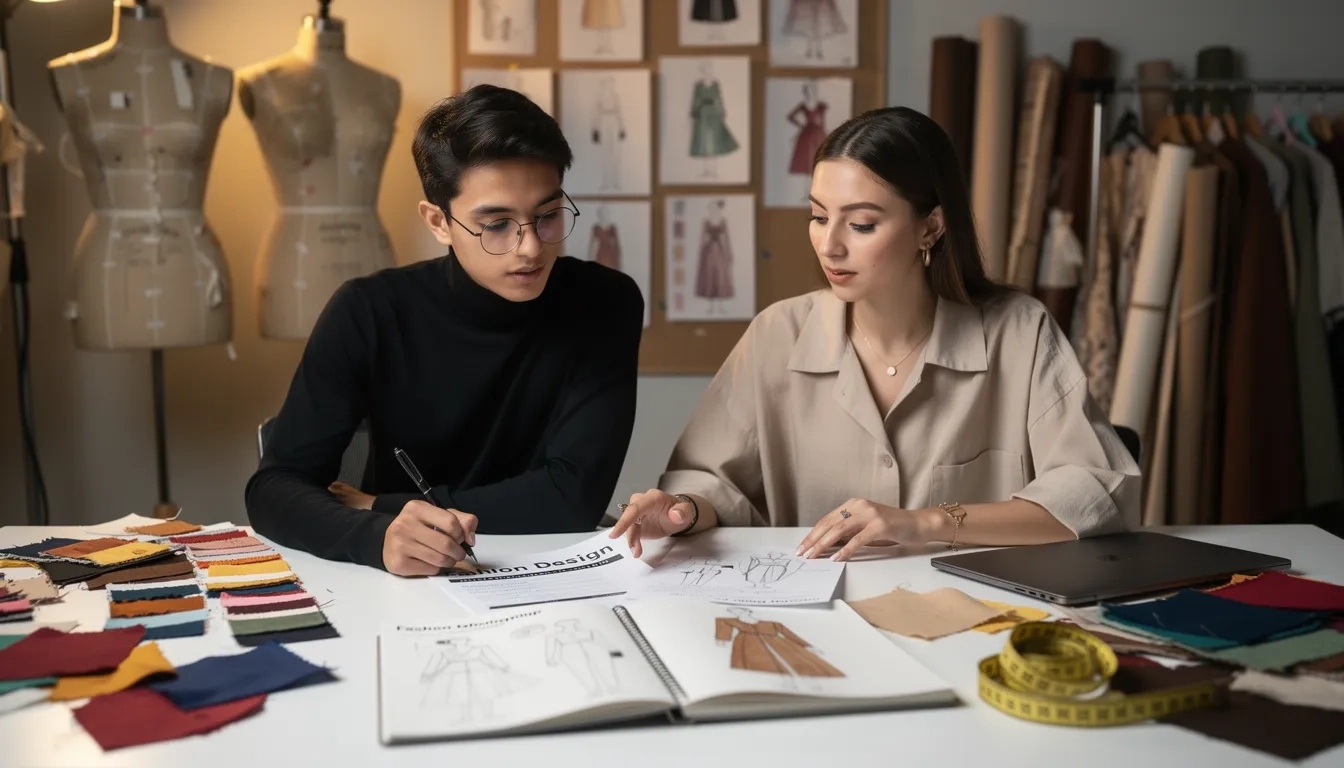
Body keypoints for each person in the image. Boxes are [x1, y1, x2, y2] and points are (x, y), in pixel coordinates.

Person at [611, 106, 1139, 562]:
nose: (829, 246)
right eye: (819, 217)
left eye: (861, 224)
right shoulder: (777, 334)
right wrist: (683, 509)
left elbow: (1096, 487)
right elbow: (710, 479)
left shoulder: (1019, 332)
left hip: (975, 617)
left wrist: (927, 522)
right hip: (818, 620)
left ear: (930, 227)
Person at [247, 85, 644, 576]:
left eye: (546, 216)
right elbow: (273, 488)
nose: (530, 248)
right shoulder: (369, 310)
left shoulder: (605, 302)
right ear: (438, 222)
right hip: (404, 577)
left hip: (552, 567)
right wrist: (378, 536)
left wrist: (378, 506)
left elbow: (572, 499)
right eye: (496, 224)